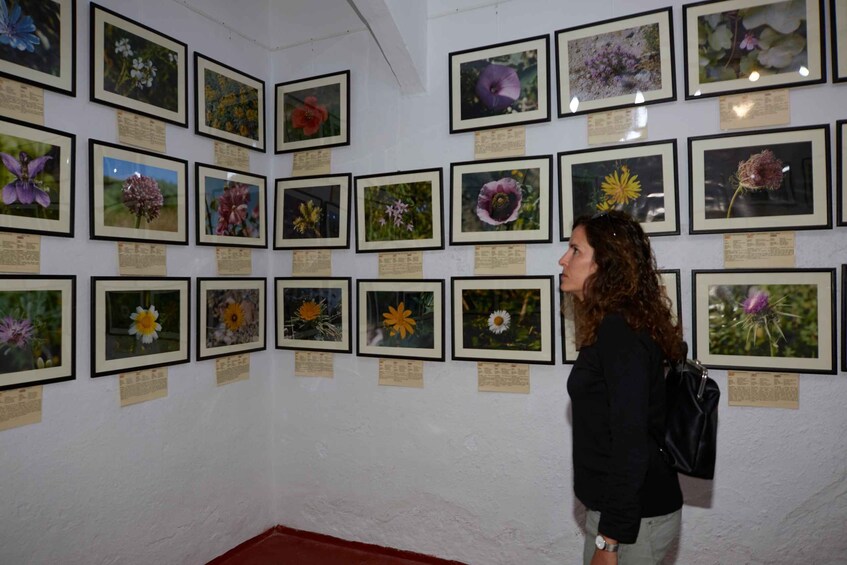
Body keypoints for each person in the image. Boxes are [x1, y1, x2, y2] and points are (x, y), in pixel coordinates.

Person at [558, 211, 684, 565]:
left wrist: (609, 542)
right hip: (623, 515)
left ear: (605, 264)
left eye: (575, 250)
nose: (563, 259)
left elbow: (631, 443)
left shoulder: (620, 332)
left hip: (631, 524)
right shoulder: (614, 325)